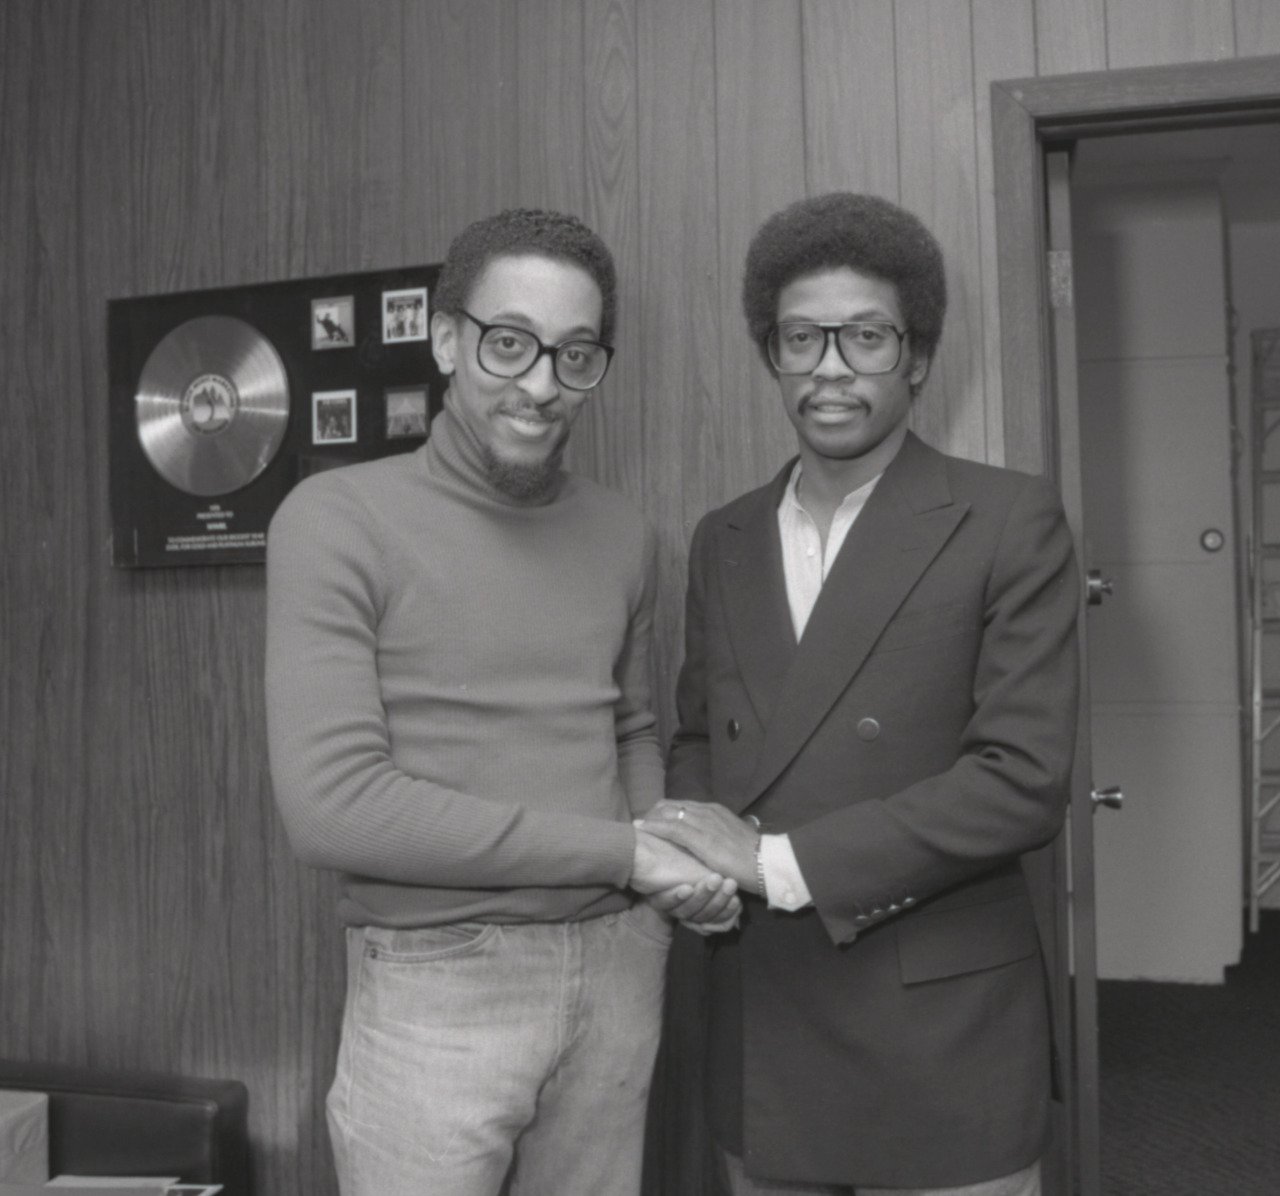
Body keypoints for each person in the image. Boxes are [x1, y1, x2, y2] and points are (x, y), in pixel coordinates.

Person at [265, 208, 739, 1196]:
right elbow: (332, 808)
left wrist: (665, 854)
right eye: (508, 343)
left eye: (575, 354)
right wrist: (625, 851)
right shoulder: (334, 519)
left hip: (617, 963)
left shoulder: (621, 530)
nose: (540, 384)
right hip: (439, 975)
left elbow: (628, 724)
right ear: (445, 339)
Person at [639, 193, 1080, 1195]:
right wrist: (693, 850)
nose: (829, 366)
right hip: (766, 1008)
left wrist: (774, 861)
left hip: (939, 1026)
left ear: (915, 356)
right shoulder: (725, 536)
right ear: (772, 355)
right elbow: (701, 732)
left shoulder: (1006, 517)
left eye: (865, 337)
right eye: (801, 337)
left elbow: (1018, 781)